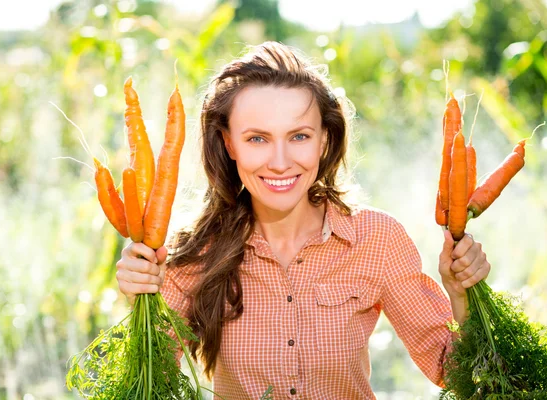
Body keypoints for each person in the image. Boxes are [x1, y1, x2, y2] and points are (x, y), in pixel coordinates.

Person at [115, 41, 490, 399]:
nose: (280, 162)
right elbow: (152, 383)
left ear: (324, 139)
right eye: (257, 139)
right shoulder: (194, 251)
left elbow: (460, 375)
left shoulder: (377, 239)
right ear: (229, 143)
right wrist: (141, 303)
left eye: (298, 136)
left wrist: (460, 296)